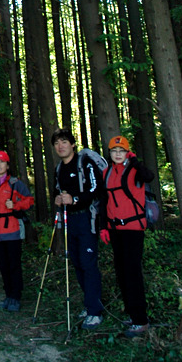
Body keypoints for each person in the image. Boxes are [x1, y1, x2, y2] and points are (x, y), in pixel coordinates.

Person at [100, 135, 154, 338]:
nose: (117, 154)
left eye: (121, 151)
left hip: (133, 228)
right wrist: (104, 227)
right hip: (115, 230)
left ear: (127, 152)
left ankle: (141, 320)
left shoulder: (134, 170)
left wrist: (135, 161)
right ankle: (132, 314)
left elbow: (149, 177)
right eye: (114, 151)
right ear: (110, 153)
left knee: (132, 273)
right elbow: (104, 201)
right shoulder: (106, 172)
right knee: (121, 273)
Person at [52, 127, 104, 330]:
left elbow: (95, 188)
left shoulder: (85, 163)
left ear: (72, 144)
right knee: (77, 262)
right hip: (69, 221)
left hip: (87, 218)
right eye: (57, 143)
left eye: (64, 141)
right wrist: (58, 198)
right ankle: (89, 303)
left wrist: (74, 199)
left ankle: (95, 311)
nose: (60, 146)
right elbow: (57, 190)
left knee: (88, 263)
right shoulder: (59, 168)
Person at [0, 150, 34, 312]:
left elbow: (29, 200)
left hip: (12, 230)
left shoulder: (16, 184)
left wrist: (15, 206)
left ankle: (15, 297)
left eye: (2, 162)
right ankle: (8, 295)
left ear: (8, 165)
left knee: (14, 265)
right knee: (2, 265)